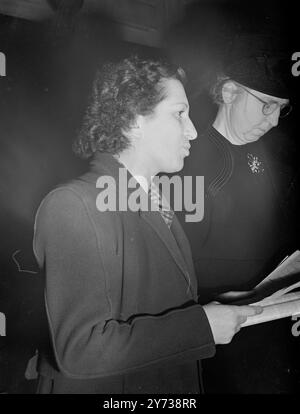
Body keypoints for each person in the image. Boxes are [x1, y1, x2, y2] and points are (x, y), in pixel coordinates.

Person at [32, 55, 261, 394]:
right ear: (134, 120)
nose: (194, 130)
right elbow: (80, 349)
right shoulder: (74, 203)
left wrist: (217, 305)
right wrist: (202, 327)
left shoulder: (154, 198)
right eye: (179, 114)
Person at [178, 54, 298, 392]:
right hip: (215, 335)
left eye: (281, 109)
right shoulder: (190, 160)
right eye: (267, 106)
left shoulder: (268, 155)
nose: (275, 121)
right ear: (230, 92)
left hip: (264, 325)